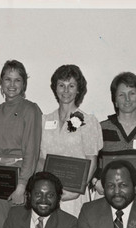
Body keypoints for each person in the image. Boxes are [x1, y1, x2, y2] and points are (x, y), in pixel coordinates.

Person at [0, 60, 42, 228]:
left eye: (17, 80)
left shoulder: (31, 109)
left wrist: (22, 186)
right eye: (8, 79)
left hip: (20, 179)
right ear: (1, 82)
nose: (12, 85)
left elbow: (32, 150)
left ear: (24, 84)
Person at [39, 64, 103, 217]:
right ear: (55, 88)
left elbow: (91, 161)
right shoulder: (45, 120)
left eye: (71, 85)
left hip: (75, 196)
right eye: (61, 85)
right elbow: (41, 158)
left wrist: (76, 190)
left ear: (78, 89)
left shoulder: (88, 121)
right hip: (48, 194)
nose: (66, 91)